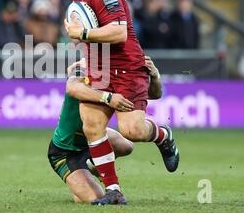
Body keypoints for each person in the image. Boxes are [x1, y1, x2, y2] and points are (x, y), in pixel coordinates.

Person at [53, 0, 179, 205]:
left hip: (127, 68)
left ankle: (163, 135)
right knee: (92, 125)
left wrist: (83, 35)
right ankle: (114, 191)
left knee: (132, 131)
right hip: (101, 67)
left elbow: (119, 32)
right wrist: (86, 60)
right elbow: (97, 35)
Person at [48, 56, 163, 203]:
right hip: (66, 151)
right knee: (95, 197)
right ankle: (79, 177)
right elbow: (72, 87)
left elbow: (155, 94)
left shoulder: (120, 72)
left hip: (91, 138)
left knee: (126, 147)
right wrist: (109, 98)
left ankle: (91, 164)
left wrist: (155, 76)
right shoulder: (85, 67)